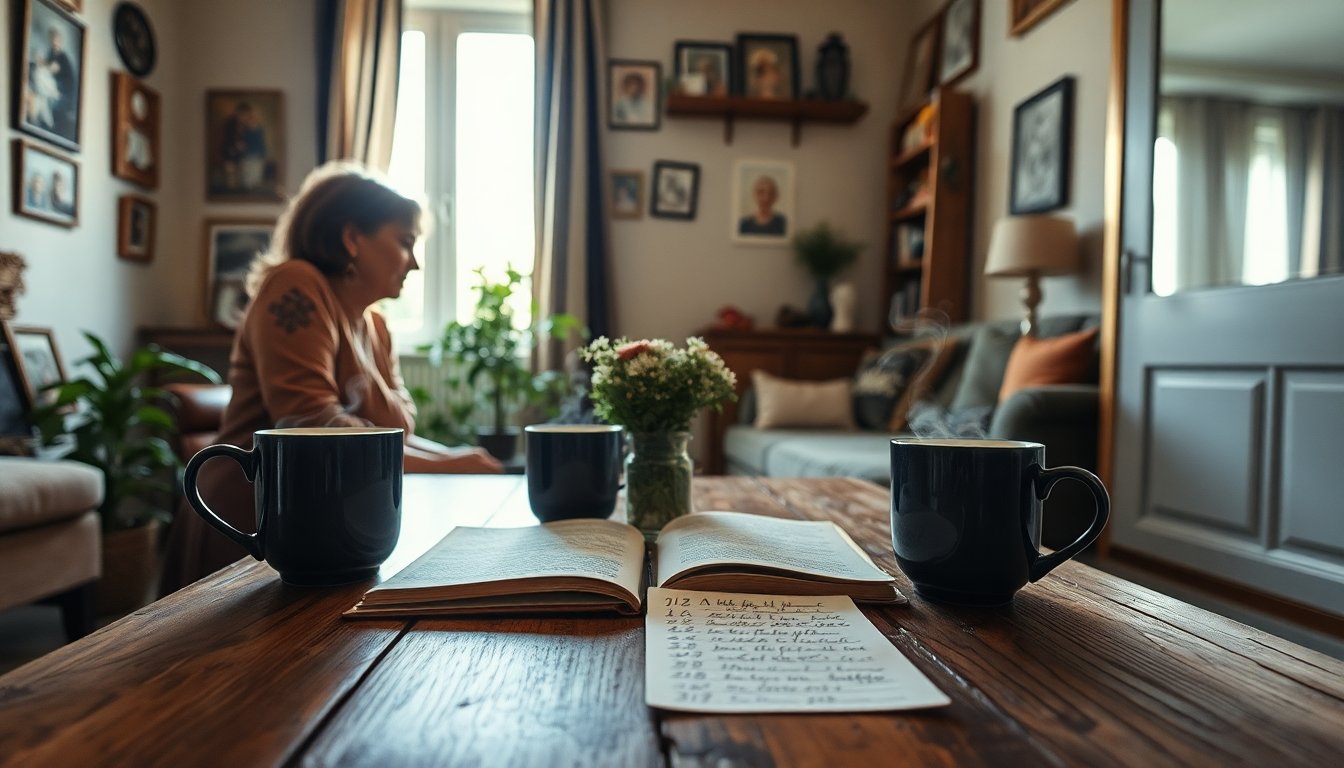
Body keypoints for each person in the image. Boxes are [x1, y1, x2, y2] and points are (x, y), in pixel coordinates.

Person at [161, 162, 502, 593]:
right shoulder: (295, 286)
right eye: (404, 243)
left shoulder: (375, 326)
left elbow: (396, 431)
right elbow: (313, 426)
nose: (414, 263)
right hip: (255, 524)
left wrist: (457, 458)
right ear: (352, 238)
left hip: (323, 520)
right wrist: (451, 464)